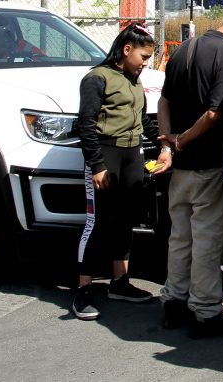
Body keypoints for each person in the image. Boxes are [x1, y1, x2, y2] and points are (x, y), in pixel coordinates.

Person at [153, 3, 223, 338]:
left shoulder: (186, 48)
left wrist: (168, 145)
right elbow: (216, 113)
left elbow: (163, 101)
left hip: (182, 170)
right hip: (209, 165)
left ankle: (173, 301)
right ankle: (205, 312)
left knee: (180, 236)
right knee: (207, 240)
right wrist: (183, 140)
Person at [72, 23, 160, 320]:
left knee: (125, 221)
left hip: (131, 156)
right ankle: (83, 289)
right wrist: (97, 165)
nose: (147, 62)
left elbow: (143, 122)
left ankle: (119, 283)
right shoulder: (97, 78)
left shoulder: (135, 80)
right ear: (126, 49)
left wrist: (166, 142)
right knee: (96, 222)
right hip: (106, 155)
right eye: (144, 56)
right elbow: (86, 125)